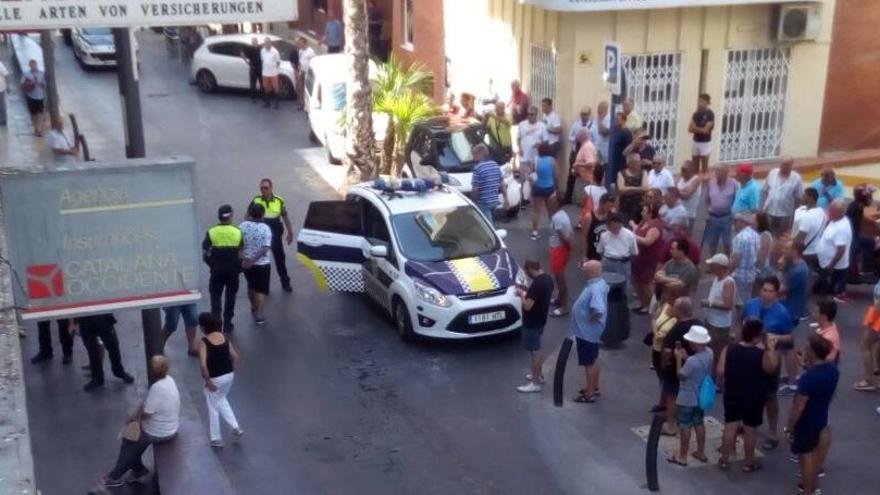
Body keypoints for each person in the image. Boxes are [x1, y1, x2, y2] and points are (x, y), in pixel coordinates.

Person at [98, 356, 179, 489]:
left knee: (129, 443)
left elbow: (147, 412)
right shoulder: (169, 380)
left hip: (159, 431)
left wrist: (134, 418)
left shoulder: (157, 388)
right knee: (131, 442)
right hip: (171, 426)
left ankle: (115, 477)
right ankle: (138, 470)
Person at [716, 319, 779, 472]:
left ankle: (724, 460)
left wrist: (723, 384)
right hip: (754, 396)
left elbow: (720, 371)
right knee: (750, 430)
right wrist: (770, 349)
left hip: (732, 393)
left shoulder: (729, 349)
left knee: (730, 426)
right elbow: (771, 369)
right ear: (757, 336)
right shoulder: (760, 354)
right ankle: (748, 463)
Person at [743, 277, 794, 449]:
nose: (766, 294)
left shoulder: (782, 313)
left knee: (770, 396)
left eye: (770, 291)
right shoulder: (751, 304)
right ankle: (748, 424)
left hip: (770, 358)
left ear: (776, 293)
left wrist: (775, 337)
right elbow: (741, 324)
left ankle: (773, 433)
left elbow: (790, 339)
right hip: (750, 356)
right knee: (748, 392)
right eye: (764, 290)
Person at [785, 335, 838, 495]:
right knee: (815, 455)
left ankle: (807, 490)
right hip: (821, 416)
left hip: (806, 422)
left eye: (808, 349)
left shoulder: (809, 378)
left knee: (805, 456)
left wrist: (790, 427)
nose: (805, 350)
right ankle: (812, 486)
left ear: (814, 353)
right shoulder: (832, 370)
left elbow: (799, 406)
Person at [668, 326, 713, 467]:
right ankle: (701, 451)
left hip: (688, 397)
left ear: (695, 343)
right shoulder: (710, 353)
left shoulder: (692, 361)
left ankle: (682, 456)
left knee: (685, 425)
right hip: (701, 395)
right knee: (699, 422)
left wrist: (679, 360)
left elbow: (681, 376)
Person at [198, 313, 243, 447]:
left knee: (213, 406)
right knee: (221, 399)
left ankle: (216, 438)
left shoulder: (204, 342)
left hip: (215, 378)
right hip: (229, 375)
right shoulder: (224, 337)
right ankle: (236, 427)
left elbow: (203, 365)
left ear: (203, 327)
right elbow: (235, 356)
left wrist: (208, 382)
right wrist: (230, 370)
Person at [571, 260, 609, 403]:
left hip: (587, 332)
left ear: (590, 272)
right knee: (593, 359)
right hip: (588, 332)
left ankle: (590, 392)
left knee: (589, 362)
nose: (583, 271)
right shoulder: (599, 284)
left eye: (585, 269)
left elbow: (599, 310)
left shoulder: (594, 289)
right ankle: (594, 386)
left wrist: (589, 319)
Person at [660, 297, 700, 435]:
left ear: (679, 310)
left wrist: (665, 363)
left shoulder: (676, 330)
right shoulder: (698, 325)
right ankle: (695, 422)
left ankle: (671, 426)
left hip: (677, 370)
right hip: (696, 370)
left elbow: (666, 351)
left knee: (672, 397)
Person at [203, 204, 243, 332]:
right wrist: (239, 267)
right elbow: (241, 253)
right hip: (232, 272)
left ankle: (216, 323)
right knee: (231, 296)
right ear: (230, 216)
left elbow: (205, 251)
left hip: (216, 271)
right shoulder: (237, 232)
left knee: (215, 296)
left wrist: (211, 264)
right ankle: (227, 323)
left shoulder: (212, 231)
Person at [516, 260, 554, 393]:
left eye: (527, 272)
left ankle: (535, 382)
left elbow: (527, 306)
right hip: (541, 320)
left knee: (535, 352)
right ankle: (539, 375)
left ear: (530, 269)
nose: (527, 275)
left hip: (532, 322)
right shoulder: (548, 279)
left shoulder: (537, 284)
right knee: (537, 349)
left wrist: (521, 295)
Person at [251, 179, 293, 292]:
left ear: (271, 188)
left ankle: (285, 283)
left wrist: (290, 231)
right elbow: (248, 216)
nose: (263, 190)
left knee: (280, 258)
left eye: (266, 188)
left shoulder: (279, 200)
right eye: (261, 188)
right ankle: (263, 287)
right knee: (261, 259)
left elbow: (285, 216)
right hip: (261, 233)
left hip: (275, 233)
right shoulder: (256, 200)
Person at [77, 314, 134, 392]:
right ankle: (97, 378)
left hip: (102, 316)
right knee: (92, 350)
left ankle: (118, 371)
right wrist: (73, 322)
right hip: (85, 318)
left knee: (113, 345)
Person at [650, 281, 682, 413]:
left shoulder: (679, 313)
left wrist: (664, 336)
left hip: (665, 350)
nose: (663, 295)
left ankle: (665, 402)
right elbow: (654, 318)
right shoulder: (664, 306)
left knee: (666, 377)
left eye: (666, 292)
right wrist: (655, 332)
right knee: (660, 375)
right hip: (656, 347)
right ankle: (663, 400)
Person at [240, 203, 272, 325]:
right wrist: (254, 260)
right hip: (262, 264)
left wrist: (246, 259)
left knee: (251, 286)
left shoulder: (243, 226)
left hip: (247, 263)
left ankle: (253, 306)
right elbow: (265, 248)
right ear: (263, 214)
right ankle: (258, 312)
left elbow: (239, 244)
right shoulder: (266, 228)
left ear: (250, 214)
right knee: (261, 290)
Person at [816, 199, 853, 302]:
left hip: (833, 267)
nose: (828, 211)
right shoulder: (836, 220)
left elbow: (841, 249)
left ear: (840, 212)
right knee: (821, 288)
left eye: (831, 209)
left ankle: (826, 306)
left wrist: (831, 266)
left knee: (827, 292)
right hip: (826, 263)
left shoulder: (841, 228)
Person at [703, 254, 735, 365]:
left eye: (713, 265)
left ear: (720, 267)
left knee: (716, 354)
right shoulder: (717, 279)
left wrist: (709, 304)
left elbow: (728, 305)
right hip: (711, 321)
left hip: (719, 325)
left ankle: (716, 378)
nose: (710, 267)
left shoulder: (728, 282)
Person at [631, 204, 664, 313]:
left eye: (644, 211)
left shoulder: (654, 227)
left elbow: (648, 241)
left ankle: (652, 307)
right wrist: (633, 226)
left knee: (645, 284)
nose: (641, 213)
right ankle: (643, 303)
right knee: (636, 281)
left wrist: (632, 236)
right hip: (638, 257)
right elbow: (638, 230)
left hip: (648, 259)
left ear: (650, 213)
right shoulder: (643, 222)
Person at [762, 157, 803, 236]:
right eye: (782, 164)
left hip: (785, 215)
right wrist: (763, 206)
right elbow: (765, 190)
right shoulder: (772, 173)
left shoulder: (796, 178)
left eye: (787, 165)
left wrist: (795, 214)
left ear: (791, 166)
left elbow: (798, 197)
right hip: (769, 211)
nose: (784, 166)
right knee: (768, 235)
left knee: (781, 237)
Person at [703, 164, 738, 255]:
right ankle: (713, 263)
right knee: (712, 242)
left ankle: (727, 263)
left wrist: (734, 216)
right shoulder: (711, 183)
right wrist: (707, 212)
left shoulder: (733, 183)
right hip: (713, 217)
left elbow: (737, 199)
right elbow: (706, 200)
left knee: (727, 243)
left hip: (727, 217)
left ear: (726, 173)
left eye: (720, 172)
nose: (717, 174)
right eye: (716, 172)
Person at [846, 184, 878, 282]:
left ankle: (868, 269)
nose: (870, 197)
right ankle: (852, 276)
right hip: (853, 235)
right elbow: (871, 211)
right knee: (854, 252)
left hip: (855, 234)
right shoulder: (857, 206)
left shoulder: (857, 204)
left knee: (871, 243)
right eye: (868, 195)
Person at [548, 196, 573, 317]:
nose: (549, 202)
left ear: (557, 203)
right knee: (559, 277)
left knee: (560, 279)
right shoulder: (563, 214)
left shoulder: (556, 218)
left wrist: (567, 247)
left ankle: (564, 307)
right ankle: (559, 299)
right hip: (561, 250)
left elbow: (563, 237)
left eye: (552, 200)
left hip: (558, 250)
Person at [471, 144, 507, 224]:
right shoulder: (495, 165)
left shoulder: (478, 168)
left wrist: (473, 201)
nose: (473, 158)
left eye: (474, 155)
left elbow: (475, 189)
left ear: (480, 155)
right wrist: (506, 199)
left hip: (483, 202)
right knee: (491, 222)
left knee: (487, 225)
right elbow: (502, 184)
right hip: (494, 201)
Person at [855, 278, 880, 391]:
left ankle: (870, 380)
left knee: (866, 345)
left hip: (878, 317)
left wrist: (871, 319)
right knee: (875, 347)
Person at [597, 213, 638, 282]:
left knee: (623, 286)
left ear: (620, 224)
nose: (612, 229)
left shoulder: (629, 235)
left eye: (615, 226)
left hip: (623, 264)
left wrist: (624, 259)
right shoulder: (604, 235)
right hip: (608, 263)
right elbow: (600, 250)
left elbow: (634, 252)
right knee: (606, 285)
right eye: (610, 226)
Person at [792, 187, 826, 269]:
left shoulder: (807, 216)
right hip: (816, 250)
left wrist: (792, 249)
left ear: (811, 198)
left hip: (805, 252)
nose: (802, 197)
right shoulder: (822, 212)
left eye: (804, 196)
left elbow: (799, 238)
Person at [730, 212, 760, 306]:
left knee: (739, 303)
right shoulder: (756, 235)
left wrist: (727, 273)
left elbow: (735, 260)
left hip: (739, 275)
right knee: (747, 300)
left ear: (742, 222)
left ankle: (740, 320)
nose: (733, 224)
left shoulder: (740, 237)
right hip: (751, 274)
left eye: (735, 221)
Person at [529, 143, 556, 240]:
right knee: (551, 211)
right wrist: (555, 189)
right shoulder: (552, 160)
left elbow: (531, 174)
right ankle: (554, 232)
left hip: (537, 188)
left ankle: (534, 233)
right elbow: (554, 175)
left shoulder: (535, 160)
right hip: (549, 188)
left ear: (539, 151)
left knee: (536, 211)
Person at [780, 239, 810, 325]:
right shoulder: (794, 265)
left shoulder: (798, 271)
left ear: (795, 251)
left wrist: (780, 269)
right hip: (789, 308)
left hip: (789, 311)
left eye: (786, 248)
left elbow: (779, 290)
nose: (783, 250)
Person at [617, 153, 648, 225]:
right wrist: (638, 189)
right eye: (638, 162)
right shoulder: (621, 173)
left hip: (639, 207)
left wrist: (629, 189)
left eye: (639, 161)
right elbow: (621, 189)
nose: (640, 163)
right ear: (630, 163)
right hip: (624, 207)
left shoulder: (643, 172)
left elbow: (646, 188)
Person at [567, 129, 596, 205]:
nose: (577, 138)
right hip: (583, 178)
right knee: (582, 202)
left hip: (585, 180)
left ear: (582, 136)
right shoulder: (585, 146)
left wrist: (578, 165)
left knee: (584, 202)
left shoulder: (587, 147)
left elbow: (591, 163)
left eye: (578, 136)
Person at [517, 105, 547, 180]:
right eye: (528, 114)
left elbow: (546, 141)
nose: (529, 116)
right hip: (524, 156)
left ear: (536, 115)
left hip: (536, 157)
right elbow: (518, 138)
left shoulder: (542, 126)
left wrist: (540, 145)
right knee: (523, 178)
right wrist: (519, 148)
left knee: (535, 178)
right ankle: (523, 191)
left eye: (532, 114)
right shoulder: (522, 124)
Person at [582, 193, 614, 262]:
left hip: (606, 253)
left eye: (611, 206)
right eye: (608, 206)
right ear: (601, 204)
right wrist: (584, 256)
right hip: (592, 253)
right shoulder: (589, 217)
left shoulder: (611, 214)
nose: (610, 209)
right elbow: (584, 237)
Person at [689, 93, 715, 174]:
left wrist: (695, 128)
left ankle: (705, 184)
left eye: (702, 101)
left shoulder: (710, 114)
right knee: (694, 167)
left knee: (704, 167)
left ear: (707, 103)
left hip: (705, 143)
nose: (700, 103)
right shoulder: (696, 113)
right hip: (695, 141)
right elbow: (689, 129)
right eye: (699, 101)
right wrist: (699, 129)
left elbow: (705, 131)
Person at [21, 59, 46, 136]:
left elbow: (46, 84)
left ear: (36, 65)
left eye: (34, 65)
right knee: (33, 113)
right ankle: (36, 127)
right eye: (31, 65)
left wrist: (41, 83)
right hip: (31, 96)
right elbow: (22, 84)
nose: (33, 67)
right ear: (29, 66)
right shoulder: (26, 74)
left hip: (40, 95)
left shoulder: (41, 73)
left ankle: (40, 129)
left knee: (40, 113)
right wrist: (29, 84)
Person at [577, 164, 606, 229]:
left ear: (593, 176)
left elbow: (582, 203)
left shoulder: (588, 189)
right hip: (599, 218)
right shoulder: (605, 191)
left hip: (589, 217)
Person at [676, 160, 701, 233]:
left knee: (686, 238)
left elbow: (687, 196)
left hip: (688, 214)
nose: (682, 172)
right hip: (678, 212)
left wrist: (678, 192)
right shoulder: (682, 179)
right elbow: (677, 191)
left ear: (691, 170)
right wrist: (682, 191)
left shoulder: (696, 180)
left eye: (684, 170)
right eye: (681, 169)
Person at [754, 212, 776, 286]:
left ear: (759, 222)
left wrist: (757, 270)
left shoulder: (765, 235)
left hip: (761, 270)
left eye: (754, 220)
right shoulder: (758, 234)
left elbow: (763, 256)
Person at [260, 37, 282, 109]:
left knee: (276, 87)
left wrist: (274, 69)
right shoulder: (262, 51)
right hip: (265, 73)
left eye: (267, 43)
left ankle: (276, 104)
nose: (266, 44)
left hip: (273, 73)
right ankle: (267, 103)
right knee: (266, 88)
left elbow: (278, 62)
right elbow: (262, 60)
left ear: (270, 43)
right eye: (265, 43)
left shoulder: (275, 52)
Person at [295, 37, 316, 110]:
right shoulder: (300, 50)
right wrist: (299, 70)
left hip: (308, 73)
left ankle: (308, 106)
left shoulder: (311, 51)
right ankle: (301, 104)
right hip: (302, 71)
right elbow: (300, 61)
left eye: (301, 43)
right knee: (300, 88)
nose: (300, 45)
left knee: (307, 89)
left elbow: (313, 62)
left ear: (305, 43)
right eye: (299, 44)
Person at [241, 37, 262, 102]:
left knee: (262, 82)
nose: (255, 43)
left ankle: (263, 96)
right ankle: (253, 97)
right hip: (253, 67)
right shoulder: (249, 48)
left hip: (260, 67)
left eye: (255, 42)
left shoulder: (260, 48)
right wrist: (246, 61)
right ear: (252, 42)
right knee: (253, 83)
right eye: (253, 42)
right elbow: (242, 53)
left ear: (257, 42)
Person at [0, 59, 8, 126]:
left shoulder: (0, 65)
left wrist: (8, 86)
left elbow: (6, 74)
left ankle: (3, 119)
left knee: (1, 105)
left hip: (1, 88)